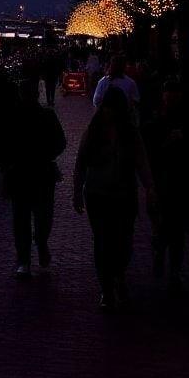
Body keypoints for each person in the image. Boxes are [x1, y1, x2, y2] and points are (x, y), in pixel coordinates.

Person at [73, 88, 155, 312]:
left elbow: (141, 160)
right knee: (102, 241)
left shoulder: (130, 132)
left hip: (123, 194)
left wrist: (149, 186)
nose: (109, 112)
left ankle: (118, 275)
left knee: (122, 240)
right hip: (99, 194)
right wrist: (77, 190)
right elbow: (81, 162)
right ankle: (107, 287)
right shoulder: (94, 131)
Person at [0, 79, 66, 276]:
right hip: (36, 173)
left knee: (26, 218)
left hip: (27, 173)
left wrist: (7, 164)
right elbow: (61, 142)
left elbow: (3, 146)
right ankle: (27, 255)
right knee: (35, 216)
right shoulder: (41, 116)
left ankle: (30, 253)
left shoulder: (35, 116)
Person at [142, 80, 189, 297]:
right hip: (163, 180)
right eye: (169, 93)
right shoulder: (157, 120)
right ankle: (162, 252)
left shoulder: (184, 120)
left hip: (177, 181)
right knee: (167, 225)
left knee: (176, 228)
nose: (171, 97)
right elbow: (150, 149)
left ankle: (172, 266)